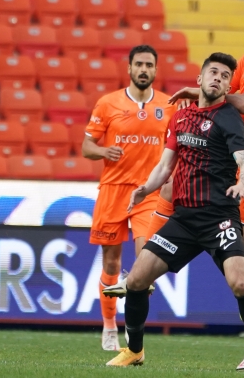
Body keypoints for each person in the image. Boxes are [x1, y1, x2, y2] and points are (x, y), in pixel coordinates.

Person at [105, 52, 244, 374]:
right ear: (199, 79)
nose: (219, 78)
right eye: (213, 72)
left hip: (219, 218)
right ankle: (134, 349)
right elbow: (165, 165)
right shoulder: (180, 118)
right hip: (184, 220)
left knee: (240, 283)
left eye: (226, 76)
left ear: (229, 85)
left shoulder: (229, 118)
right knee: (136, 280)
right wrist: (145, 188)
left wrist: (243, 183)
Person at [168, 11, 244, 371]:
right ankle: (148, 265)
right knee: (170, 191)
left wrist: (198, 91)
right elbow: (225, 93)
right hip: (231, 163)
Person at [82, 45, 176, 351]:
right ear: (130, 69)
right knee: (111, 262)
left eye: (149, 65)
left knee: (146, 260)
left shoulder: (167, 104)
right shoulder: (108, 103)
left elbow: (174, 148)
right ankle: (109, 325)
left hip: (147, 192)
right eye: (139, 64)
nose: (144, 69)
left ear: (155, 70)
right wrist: (102, 151)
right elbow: (86, 147)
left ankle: (133, 328)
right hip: (113, 189)